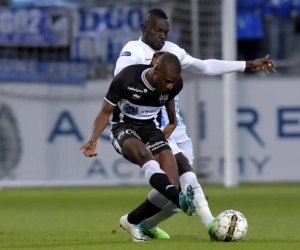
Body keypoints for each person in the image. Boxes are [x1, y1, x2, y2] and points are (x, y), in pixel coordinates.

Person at [114, 8, 276, 242]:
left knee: (178, 198)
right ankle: (212, 226)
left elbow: (205, 66)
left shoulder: (172, 50)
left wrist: (247, 65)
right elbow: (121, 80)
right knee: (187, 177)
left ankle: (141, 222)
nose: (162, 36)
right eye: (158, 30)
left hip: (176, 126)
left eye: (166, 32)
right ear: (145, 28)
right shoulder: (133, 51)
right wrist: (149, 70)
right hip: (154, 127)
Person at [80, 53, 196, 242]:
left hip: (151, 129)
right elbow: (105, 112)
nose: (169, 85)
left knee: (169, 186)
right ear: (156, 69)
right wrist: (93, 139)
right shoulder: (127, 78)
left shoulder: (174, 84)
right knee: (145, 157)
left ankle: (131, 220)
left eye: (173, 82)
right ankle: (180, 199)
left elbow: (168, 96)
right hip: (123, 128)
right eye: (167, 80)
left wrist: (172, 121)